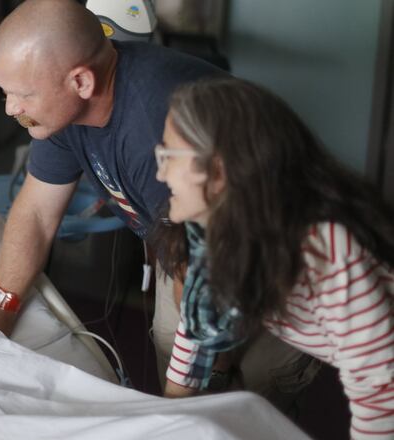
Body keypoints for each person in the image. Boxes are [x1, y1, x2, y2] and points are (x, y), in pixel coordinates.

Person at [0, 0, 316, 404]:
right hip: (192, 251)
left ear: (81, 82)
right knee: (174, 347)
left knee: (256, 392)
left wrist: (188, 397)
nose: (11, 109)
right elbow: (36, 214)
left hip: (276, 256)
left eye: (22, 95)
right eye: (4, 91)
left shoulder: (162, 132)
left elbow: (207, 277)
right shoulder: (59, 111)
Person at [156, 76, 394, 438]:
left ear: (218, 172)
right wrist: (164, 419)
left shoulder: (324, 248)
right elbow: (196, 330)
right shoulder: (213, 232)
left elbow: (380, 394)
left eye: (169, 157)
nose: (160, 173)